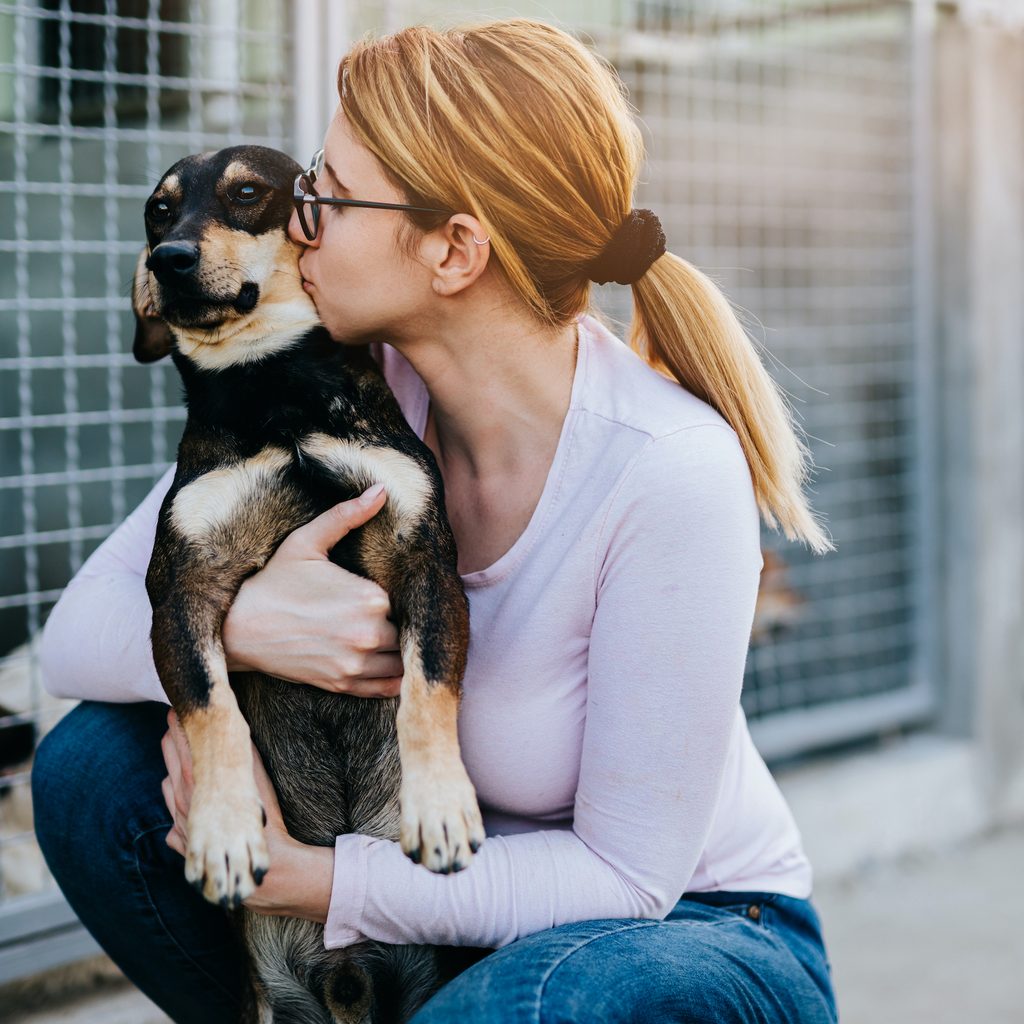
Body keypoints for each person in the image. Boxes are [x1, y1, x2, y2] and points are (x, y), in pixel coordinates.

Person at [32, 18, 838, 1024]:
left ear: (453, 249)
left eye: (326, 194)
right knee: (91, 771)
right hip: (429, 911)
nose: (299, 226)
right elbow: (74, 638)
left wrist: (315, 881)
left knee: (529, 999)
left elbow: (627, 880)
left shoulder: (664, 469)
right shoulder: (354, 392)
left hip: (683, 933)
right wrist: (245, 625)